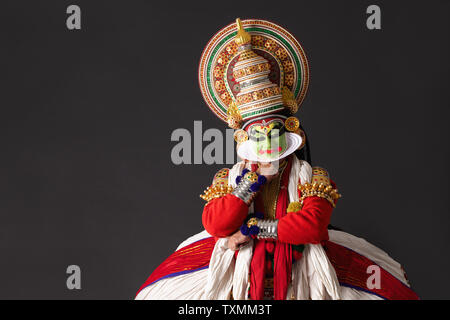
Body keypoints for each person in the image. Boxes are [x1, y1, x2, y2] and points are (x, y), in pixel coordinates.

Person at [135, 18, 418, 300]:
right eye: (257, 133)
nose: (266, 141)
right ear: (243, 138)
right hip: (240, 268)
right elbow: (217, 225)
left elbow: (312, 227)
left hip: (303, 265)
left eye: (272, 131)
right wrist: (253, 183)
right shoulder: (228, 178)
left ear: (289, 131)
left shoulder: (313, 176)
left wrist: (254, 228)